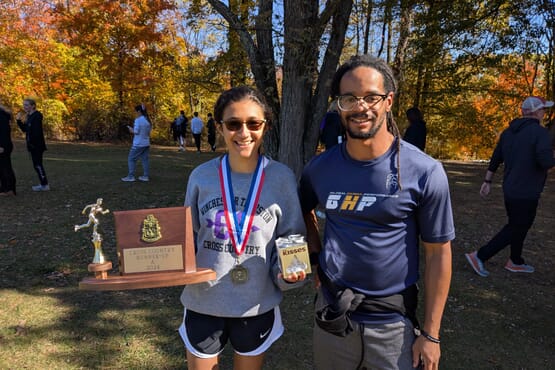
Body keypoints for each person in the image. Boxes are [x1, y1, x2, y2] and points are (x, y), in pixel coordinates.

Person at [299, 55, 454, 370]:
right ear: (339, 105)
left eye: (371, 97)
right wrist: (315, 256)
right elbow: (303, 211)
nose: (360, 107)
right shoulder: (319, 168)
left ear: (389, 101)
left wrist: (432, 334)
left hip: (393, 323)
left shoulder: (425, 171)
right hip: (332, 316)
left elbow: (438, 253)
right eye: (349, 99)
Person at [179, 86, 307, 370]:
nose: (244, 133)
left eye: (254, 123)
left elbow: (292, 237)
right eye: (234, 124)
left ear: (266, 126)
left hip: (255, 304)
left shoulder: (281, 178)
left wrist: (289, 273)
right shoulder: (201, 177)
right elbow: (186, 235)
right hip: (204, 301)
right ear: (219, 127)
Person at [465, 96, 555, 277]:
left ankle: (515, 260)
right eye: (543, 109)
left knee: (519, 224)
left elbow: (496, 156)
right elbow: (546, 162)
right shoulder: (540, 133)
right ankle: (480, 256)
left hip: (510, 188)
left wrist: (487, 181)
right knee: (517, 227)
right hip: (527, 190)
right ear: (536, 112)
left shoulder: (508, 132)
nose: (544, 113)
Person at [16, 98, 49, 191]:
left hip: (37, 145)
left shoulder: (37, 116)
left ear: (33, 106)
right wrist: (18, 121)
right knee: (36, 165)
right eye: (24, 105)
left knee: (38, 165)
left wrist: (33, 143)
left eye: (26, 105)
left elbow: (36, 132)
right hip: (31, 145)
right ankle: (43, 184)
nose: (24, 107)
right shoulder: (29, 116)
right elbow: (25, 130)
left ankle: (45, 185)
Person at [121, 104, 152, 182]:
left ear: (139, 111)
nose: (135, 113)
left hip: (138, 144)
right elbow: (148, 132)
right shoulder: (147, 120)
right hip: (146, 143)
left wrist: (131, 130)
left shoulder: (138, 120)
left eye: (135, 111)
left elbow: (136, 131)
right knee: (145, 159)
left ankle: (130, 176)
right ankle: (145, 176)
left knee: (131, 159)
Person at [0, 104, 17, 196]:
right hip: (3, 145)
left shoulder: (2, 116)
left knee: (5, 167)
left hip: (3, 145)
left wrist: (2, 146)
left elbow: (4, 132)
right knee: (2, 168)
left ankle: (9, 189)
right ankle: (4, 188)